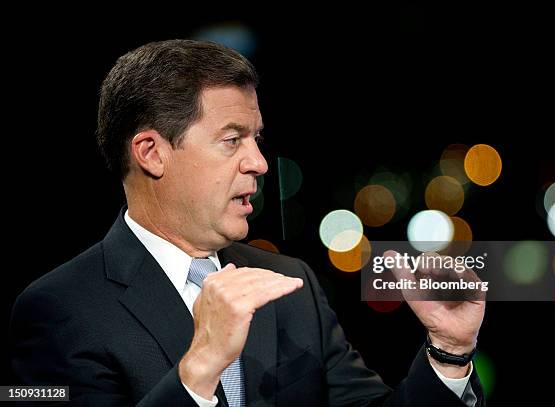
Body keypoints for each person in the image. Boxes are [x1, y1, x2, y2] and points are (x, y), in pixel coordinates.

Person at [10, 39, 486, 406]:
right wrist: (199, 368)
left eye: (256, 139)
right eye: (232, 139)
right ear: (152, 153)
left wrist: (449, 352)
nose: (259, 162)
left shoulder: (291, 284)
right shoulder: (61, 310)